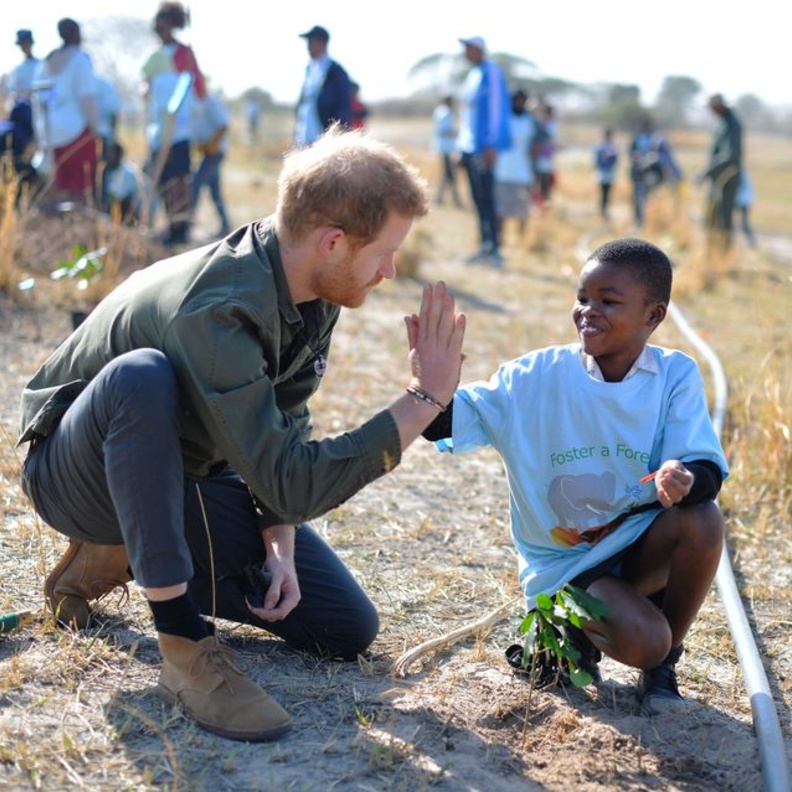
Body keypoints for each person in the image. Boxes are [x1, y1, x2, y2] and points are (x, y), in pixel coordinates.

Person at [18, 126, 466, 744]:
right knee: (141, 377)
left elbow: (286, 425)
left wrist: (279, 542)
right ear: (334, 242)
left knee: (343, 628)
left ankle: (122, 555)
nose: (390, 271)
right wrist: (423, 400)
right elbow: (294, 482)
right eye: (385, 253)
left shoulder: (313, 286)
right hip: (77, 473)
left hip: (187, 469)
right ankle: (182, 647)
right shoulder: (220, 307)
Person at [420, 237, 727, 717]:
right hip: (567, 566)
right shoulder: (534, 377)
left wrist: (683, 477)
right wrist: (429, 388)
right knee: (646, 641)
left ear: (653, 316)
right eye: (582, 297)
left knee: (703, 519)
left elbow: (706, 470)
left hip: (635, 546)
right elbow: (445, 423)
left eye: (608, 301)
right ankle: (567, 633)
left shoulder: (674, 375)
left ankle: (664, 667)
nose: (588, 311)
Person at [142, 1, 206, 246]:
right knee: (162, 179)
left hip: (180, 129)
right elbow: (145, 84)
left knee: (179, 179)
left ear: (173, 25)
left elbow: (198, 88)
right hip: (158, 130)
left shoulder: (184, 53)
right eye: (158, 27)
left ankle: (181, 226)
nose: (161, 31)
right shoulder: (154, 56)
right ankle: (169, 223)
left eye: (164, 26)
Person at [31, 18, 99, 204]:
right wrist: (96, 128)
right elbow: (87, 97)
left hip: (49, 133)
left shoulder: (43, 65)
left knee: (60, 187)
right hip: (76, 131)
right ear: (76, 34)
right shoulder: (80, 60)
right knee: (81, 187)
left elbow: (37, 102)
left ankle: (63, 220)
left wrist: (41, 136)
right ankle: (78, 218)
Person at [456, 36, 511, 265]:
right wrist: (461, 147)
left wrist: (491, 144)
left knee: (488, 198)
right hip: (469, 147)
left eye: (469, 48)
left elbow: (496, 110)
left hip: (484, 148)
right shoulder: (472, 75)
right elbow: (466, 114)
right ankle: (484, 245)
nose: (466, 52)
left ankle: (494, 247)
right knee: (477, 198)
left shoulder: (492, 72)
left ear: (479, 49)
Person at [696, 93, 743, 253]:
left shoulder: (732, 124)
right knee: (711, 216)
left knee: (724, 217)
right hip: (717, 178)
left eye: (713, 108)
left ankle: (724, 254)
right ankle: (711, 251)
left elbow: (731, 155)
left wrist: (708, 171)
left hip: (727, 178)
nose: (711, 111)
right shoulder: (721, 122)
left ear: (720, 106)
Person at [294, 25, 351, 147]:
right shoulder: (310, 69)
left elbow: (343, 107)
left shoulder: (335, 71)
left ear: (321, 42)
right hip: (304, 137)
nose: (308, 47)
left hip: (323, 142)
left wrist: (337, 137)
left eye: (311, 42)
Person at [494, 88, 535, 250]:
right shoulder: (503, 119)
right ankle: (499, 239)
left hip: (523, 173)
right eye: (516, 100)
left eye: (522, 100)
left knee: (523, 210)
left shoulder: (531, 121)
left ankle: (522, 241)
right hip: (503, 171)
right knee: (501, 210)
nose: (519, 103)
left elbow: (539, 142)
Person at [190, 91, 232, 238]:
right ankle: (226, 226)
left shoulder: (211, 102)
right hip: (207, 153)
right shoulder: (196, 103)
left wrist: (211, 143)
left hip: (215, 152)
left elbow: (224, 124)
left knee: (195, 185)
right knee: (215, 191)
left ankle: (187, 223)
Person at [629, 118, 682, 229]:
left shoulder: (655, 139)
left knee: (649, 198)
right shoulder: (637, 138)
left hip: (651, 173)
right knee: (638, 198)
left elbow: (667, 158)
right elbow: (631, 153)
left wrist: (676, 174)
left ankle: (649, 222)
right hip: (639, 174)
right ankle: (639, 222)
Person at [431, 95, 462, 208]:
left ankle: (440, 198)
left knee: (448, 173)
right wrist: (455, 133)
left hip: (445, 147)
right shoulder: (445, 113)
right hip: (445, 147)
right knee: (450, 173)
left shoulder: (441, 112)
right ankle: (455, 199)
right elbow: (446, 130)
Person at [530, 102, 558, 209]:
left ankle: (544, 202)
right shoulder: (540, 123)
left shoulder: (551, 125)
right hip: (537, 156)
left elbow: (548, 139)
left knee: (544, 181)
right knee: (536, 180)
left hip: (545, 157)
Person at [6, 29, 40, 103]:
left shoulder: (42, 65)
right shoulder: (17, 70)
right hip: (25, 106)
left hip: (41, 104)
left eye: (26, 44)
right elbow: (13, 91)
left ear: (31, 44)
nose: (24, 47)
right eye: (22, 45)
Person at [594, 128, 618, 220]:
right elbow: (597, 160)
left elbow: (615, 160)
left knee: (606, 193)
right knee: (604, 193)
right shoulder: (603, 147)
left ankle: (604, 211)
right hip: (604, 172)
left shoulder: (610, 147)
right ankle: (603, 211)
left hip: (607, 172)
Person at [734, 170, 756, 248]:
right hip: (745, 201)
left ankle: (752, 243)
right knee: (743, 224)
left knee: (743, 224)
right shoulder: (743, 173)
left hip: (741, 201)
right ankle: (752, 242)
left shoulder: (739, 173)